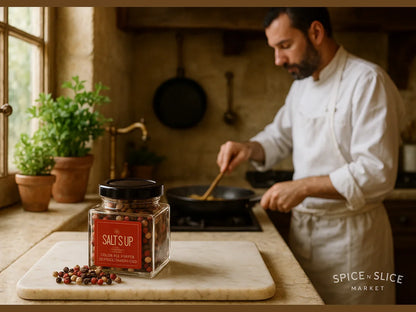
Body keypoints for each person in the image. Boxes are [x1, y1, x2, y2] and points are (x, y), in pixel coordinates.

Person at [216, 8, 405, 305]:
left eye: (285, 46)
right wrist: (248, 147)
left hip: (353, 242)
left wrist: (303, 186)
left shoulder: (367, 81)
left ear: (316, 33)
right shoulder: (301, 86)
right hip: (304, 234)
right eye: (274, 49)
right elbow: (279, 136)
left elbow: (377, 173)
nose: (278, 60)